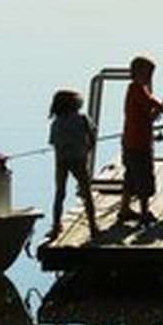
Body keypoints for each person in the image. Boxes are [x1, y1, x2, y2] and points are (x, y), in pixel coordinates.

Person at [118, 54, 163, 225]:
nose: (150, 77)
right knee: (144, 177)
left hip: (131, 140)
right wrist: (162, 105)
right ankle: (145, 212)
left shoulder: (137, 89)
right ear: (137, 72)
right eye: (148, 73)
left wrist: (156, 112)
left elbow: (148, 116)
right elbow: (154, 103)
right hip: (139, 143)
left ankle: (124, 209)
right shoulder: (137, 89)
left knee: (130, 176)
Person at [47, 88, 99, 241]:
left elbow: (54, 144)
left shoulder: (56, 122)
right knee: (86, 193)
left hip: (61, 161)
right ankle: (93, 226)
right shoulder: (82, 118)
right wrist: (88, 149)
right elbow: (92, 135)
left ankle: (56, 226)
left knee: (60, 193)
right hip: (79, 160)